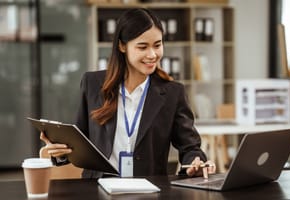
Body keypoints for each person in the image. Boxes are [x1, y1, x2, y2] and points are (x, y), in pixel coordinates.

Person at [40, 8, 215, 178]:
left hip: (150, 189)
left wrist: (196, 163)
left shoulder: (172, 93)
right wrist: (60, 151)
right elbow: (80, 141)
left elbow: (190, 147)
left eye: (158, 45)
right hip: (99, 187)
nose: (152, 54)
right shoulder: (92, 84)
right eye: (142, 47)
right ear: (122, 46)